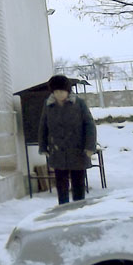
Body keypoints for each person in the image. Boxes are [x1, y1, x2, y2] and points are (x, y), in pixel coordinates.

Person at [37, 73, 97, 204]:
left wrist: (89, 147)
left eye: (62, 91)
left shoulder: (78, 103)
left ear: (67, 90)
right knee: (61, 185)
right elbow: (43, 126)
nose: (59, 94)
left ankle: (79, 208)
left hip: (77, 150)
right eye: (56, 91)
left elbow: (90, 125)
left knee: (78, 184)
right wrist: (43, 146)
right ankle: (63, 209)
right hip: (58, 150)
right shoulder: (48, 105)